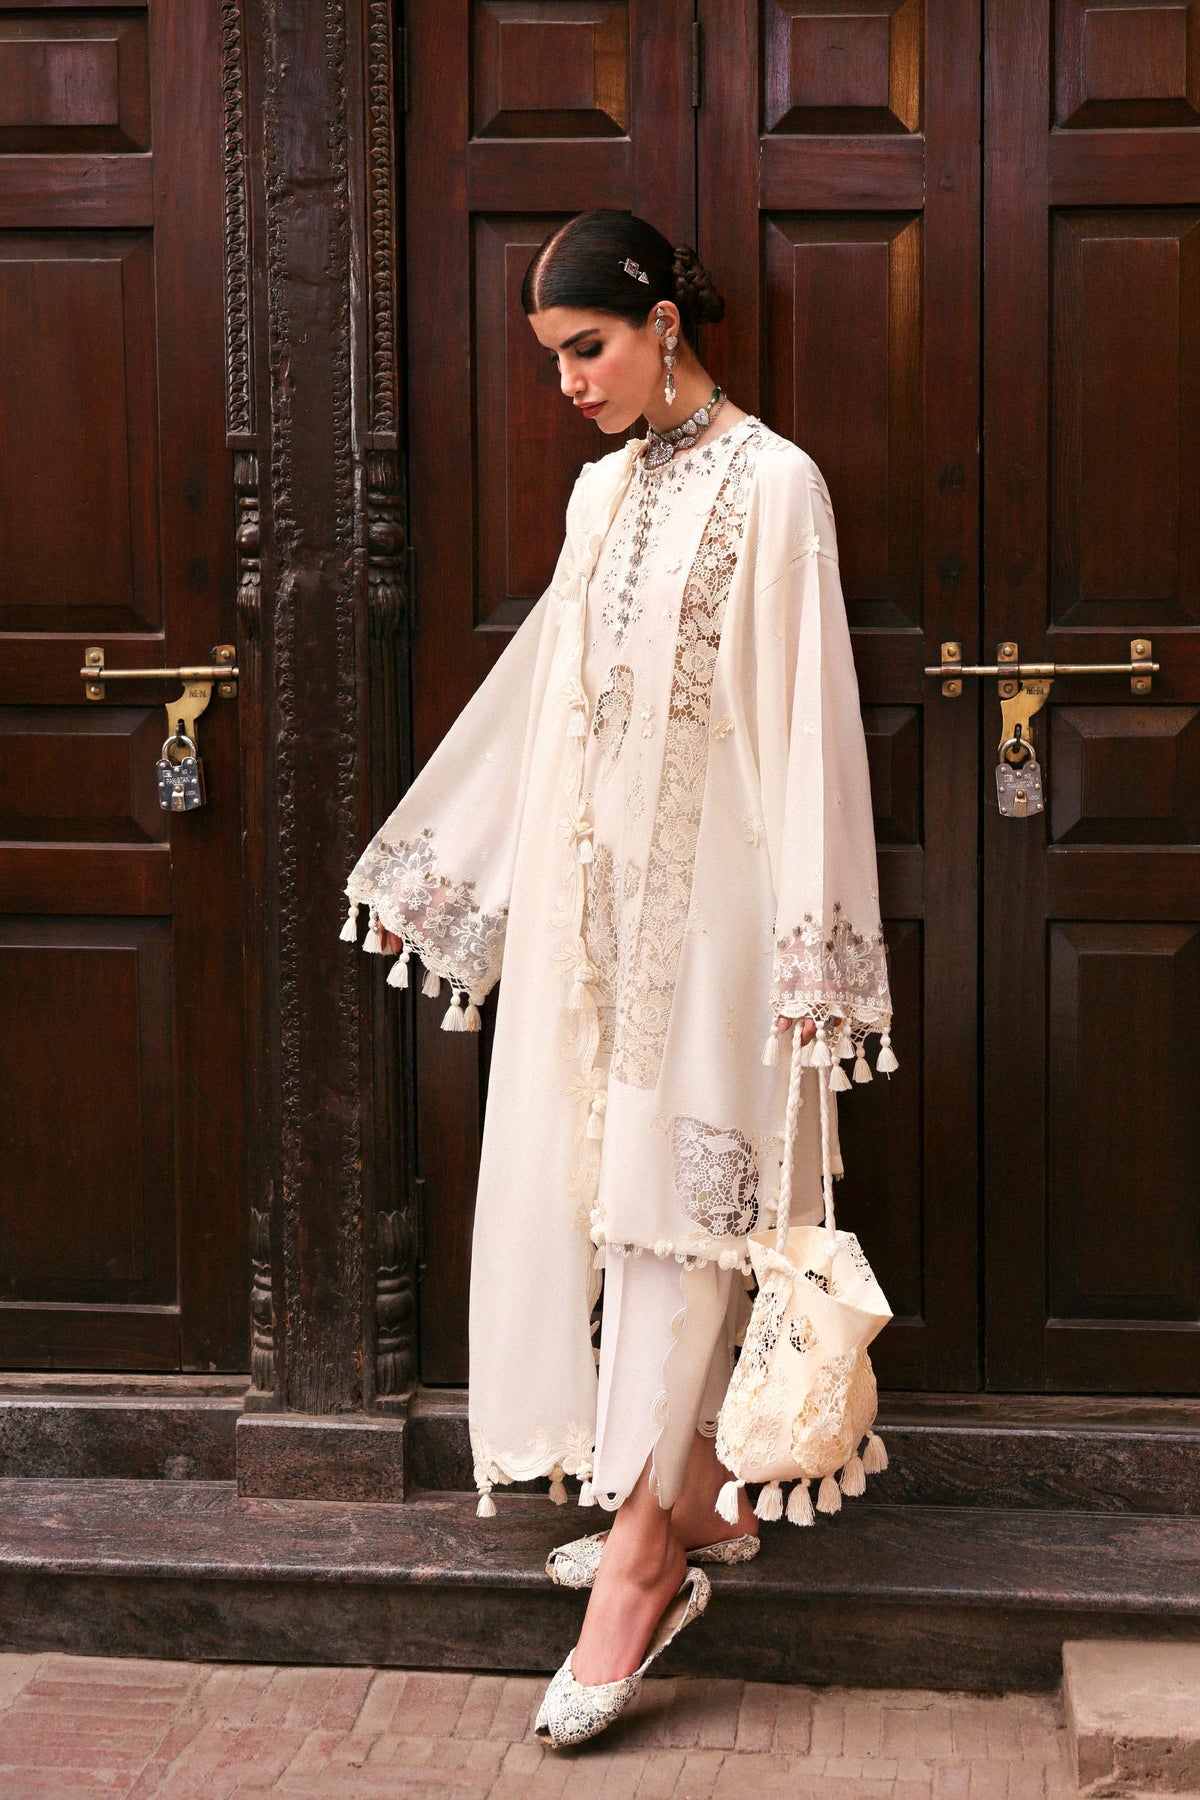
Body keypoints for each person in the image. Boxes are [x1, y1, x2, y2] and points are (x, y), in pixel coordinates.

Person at [342, 209, 896, 1746]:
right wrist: (444, 876)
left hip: (724, 928)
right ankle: (691, 1493)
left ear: (663, 324)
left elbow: (811, 722)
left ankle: (643, 1567)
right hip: (598, 929)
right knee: (603, 1200)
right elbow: (545, 695)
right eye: (552, 360)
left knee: (684, 1215)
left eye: (586, 348)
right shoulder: (601, 497)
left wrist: (814, 946)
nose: (570, 383)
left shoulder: (777, 487)